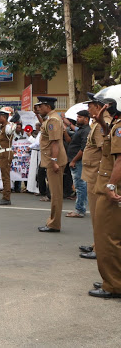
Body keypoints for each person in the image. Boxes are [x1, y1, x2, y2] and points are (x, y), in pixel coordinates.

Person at [89, 85, 121, 298]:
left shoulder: (120, 126)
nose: (104, 106)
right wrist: (101, 121)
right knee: (109, 236)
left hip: (111, 187)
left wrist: (111, 186)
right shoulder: (116, 125)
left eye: (108, 104)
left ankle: (114, 284)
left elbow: (120, 159)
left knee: (106, 237)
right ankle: (112, 279)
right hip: (107, 184)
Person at [79, 93, 112, 260]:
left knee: (98, 215)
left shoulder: (101, 124)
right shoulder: (98, 122)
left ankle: (100, 248)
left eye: (90, 106)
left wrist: (102, 176)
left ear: (98, 107)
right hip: (93, 173)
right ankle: (96, 244)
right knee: (95, 214)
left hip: (97, 174)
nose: (87, 109)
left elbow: (104, 151)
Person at [36, 96, 68, 233]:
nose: (39, 109)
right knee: (54, 193)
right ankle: (53, 221)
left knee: (55, 194)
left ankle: (54, 224)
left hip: (54, 161)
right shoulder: (50, 118)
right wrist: (37, 114)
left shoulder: (53, 120)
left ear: (47, 107)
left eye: (40, 107)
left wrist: (54, 161)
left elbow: (55, 142)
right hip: (52, 160)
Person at [64, 110, 91, 218]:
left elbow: (83, 148)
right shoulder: (81, 129)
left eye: (80, 117)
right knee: (80, 185)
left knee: (80, 186)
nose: (77, 119)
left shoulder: (85, 131)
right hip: (75, 161)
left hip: (78, 162)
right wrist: (64, 121)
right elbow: (74, 128)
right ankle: (80, 208)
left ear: (86, 118)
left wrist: (74, 160)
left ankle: (80, 210)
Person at [0, 108, 19, 205]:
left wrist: (11, 121)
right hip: (2, 153)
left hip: (6, 153)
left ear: (4, 117)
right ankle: (5, 196)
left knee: (5, 176)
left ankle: (6, 197)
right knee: (4, 175)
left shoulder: (8, 127)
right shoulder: (2, 126)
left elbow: (11, 128)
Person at [13, 122, 28, 193]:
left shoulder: (24, 134)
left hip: (23, 157)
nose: (18, 129)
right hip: (15, 156)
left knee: (22, 171)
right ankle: (15, 188)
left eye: (19, 127)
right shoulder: (13, 134)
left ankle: (21, 188)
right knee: (15, 172)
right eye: (17, 127)